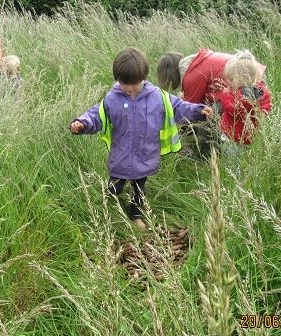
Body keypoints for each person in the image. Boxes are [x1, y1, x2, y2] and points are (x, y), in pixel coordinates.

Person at [70, 48, 213, 228]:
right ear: (117, 79)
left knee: (139, 190)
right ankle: (106, 207)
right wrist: (81, 124)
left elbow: (179, 107)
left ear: (143, 77)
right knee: (114, 186)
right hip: (120, 156)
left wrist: (198, 110)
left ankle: (136, 215)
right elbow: (96, 116)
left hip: (146, 155)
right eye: (124, 83)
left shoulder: (158, 97)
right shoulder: (111, 99)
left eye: (134, 83)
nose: (130, 88)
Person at [157, 49, 269, 158]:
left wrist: (175, 132)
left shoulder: (191, 76)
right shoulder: (195, 62)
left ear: (169, 74)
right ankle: (228, 145)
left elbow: (189, 111)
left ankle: (206, 156)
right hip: (255, 75)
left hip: (247, 83)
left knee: (207, 116)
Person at [210, 50, 272, 150]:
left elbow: (232, 111)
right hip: (250, 136)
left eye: (231, 79)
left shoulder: (241, 96)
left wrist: (225, 95)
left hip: (234, 137)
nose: (228, 82)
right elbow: (267, 108)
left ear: (243, 79)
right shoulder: (262, 90)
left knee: (232, 161)